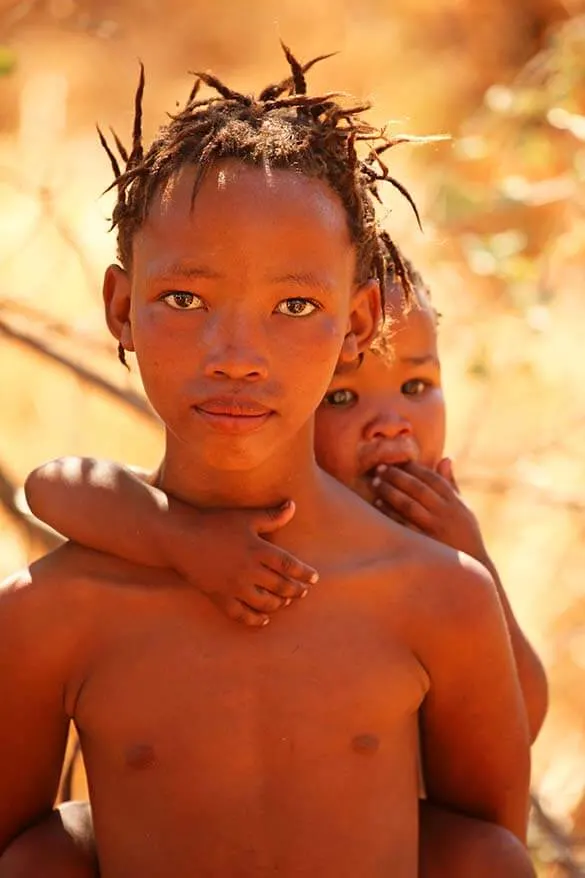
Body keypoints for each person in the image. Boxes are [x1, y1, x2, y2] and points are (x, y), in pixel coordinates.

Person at [0, 49, 532, 878]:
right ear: (120, 308)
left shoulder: (437, 596)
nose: (237, 355)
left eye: (294, 306)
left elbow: (487, 848)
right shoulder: (52, 615)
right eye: (185, 300)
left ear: (356, 325)